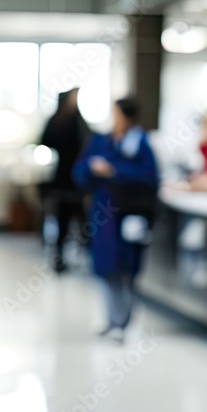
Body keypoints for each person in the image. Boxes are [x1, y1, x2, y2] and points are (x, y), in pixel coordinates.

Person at [72, 97, 158, 342]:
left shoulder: (140, 144)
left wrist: (114, 171)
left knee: (128, 270)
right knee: (105, 268)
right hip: (104, 216)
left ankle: (123, 322)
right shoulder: (100, 142)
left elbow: (150, 177)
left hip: (130, 216)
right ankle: (111, 320)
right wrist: (92, 168)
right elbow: (79, 172)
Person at [40, 89, 90, 272]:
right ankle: (59, 258)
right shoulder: (63, 121)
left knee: (81, 221)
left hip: (75, 178)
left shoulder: (76, 119)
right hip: (65, 178)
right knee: (64, 220)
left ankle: (87, 258)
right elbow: (45, 141)